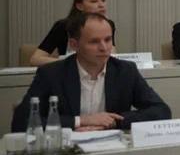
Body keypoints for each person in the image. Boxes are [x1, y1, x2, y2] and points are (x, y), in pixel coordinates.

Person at [11, 12, 170, 131]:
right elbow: (21, 122)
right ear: (74, 44)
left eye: (108, 40)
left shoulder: (125, 71)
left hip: (111, 147)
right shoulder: (51, 74)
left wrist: (113, 122)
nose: (104, 47)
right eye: (94, 42)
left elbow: (161, 111)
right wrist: (80, 121)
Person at [30, 0, 117, 67]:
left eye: (103, 0)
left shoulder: (108, 24)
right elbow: (35, 59)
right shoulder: (63, 25)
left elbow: (112, 55)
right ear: (80, 6)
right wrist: (70, 63)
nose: (101, 5)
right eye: (94, 1)